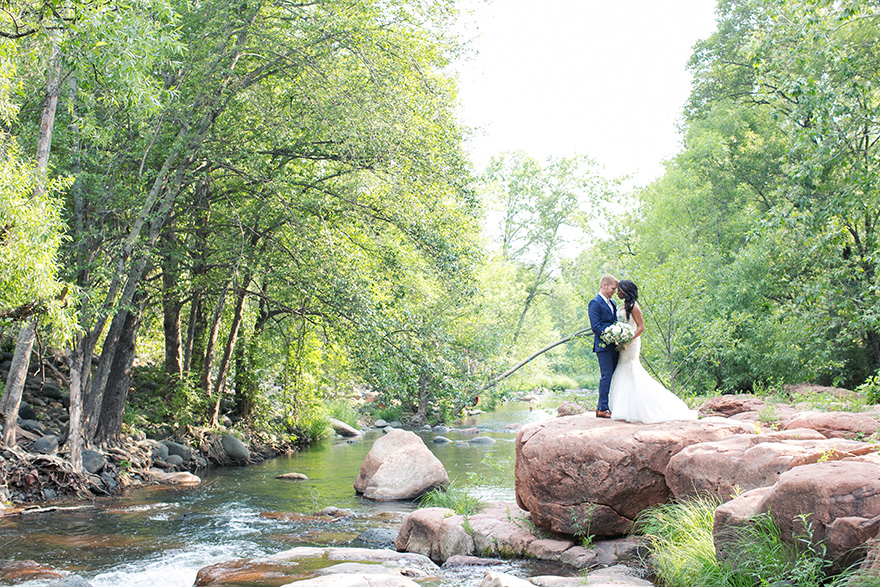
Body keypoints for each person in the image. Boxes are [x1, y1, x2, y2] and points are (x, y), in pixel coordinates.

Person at [609, 279, 698, 423]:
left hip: (631, 343)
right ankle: (624, 408)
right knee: (622, 369)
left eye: (619, 290)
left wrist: (628, 339)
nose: (617, 292)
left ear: (625, 291)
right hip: (623, 342)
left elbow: (641, 327)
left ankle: (641, 408)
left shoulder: (634, 307)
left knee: (631, 369)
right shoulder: (623, 305)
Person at [588, 274, 619, 418]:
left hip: (616, 346)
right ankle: (601, 408)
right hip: (603, 345)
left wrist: (618, 338)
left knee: (616, 375)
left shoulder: (612, 304)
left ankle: (613, 405)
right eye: (613, 288)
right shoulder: (594, 303)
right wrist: (609, 337)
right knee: (606, 375)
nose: (614, 291)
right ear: (605, 285)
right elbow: (595, 326)